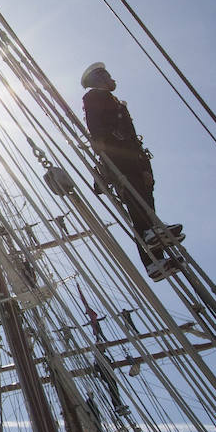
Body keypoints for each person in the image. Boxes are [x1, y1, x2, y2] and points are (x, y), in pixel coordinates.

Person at [80, 62, 183, 281]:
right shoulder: (93, 97)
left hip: (133, 158)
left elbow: (131, 136)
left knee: (145, 201)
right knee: (136, 201)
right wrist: (103, 148)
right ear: (99, 78)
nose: (112, 79)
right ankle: (152, 258)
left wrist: (144, 167)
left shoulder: (116, 102)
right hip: (118, 157)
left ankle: (157, 255)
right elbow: (96, 128)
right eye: (107, 75)